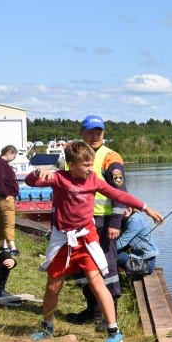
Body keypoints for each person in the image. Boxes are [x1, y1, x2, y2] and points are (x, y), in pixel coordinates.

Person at [24, 140, 163, 342]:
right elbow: (30, 183)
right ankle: (47, 326)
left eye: (92, 164)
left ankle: (114, 331)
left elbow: (119, 194)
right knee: (53, 287)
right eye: (86, 165)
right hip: (63, 241)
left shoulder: (94, 181)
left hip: (86, 240)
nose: (91, 169)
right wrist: (36, 173)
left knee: (98, 283)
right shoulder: (59, 178)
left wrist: (146, 208)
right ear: (72, 165)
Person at [65, 114, 128, 327]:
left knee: (107, 268)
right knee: (81, 268)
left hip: (103, 223)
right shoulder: (74, 155)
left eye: (98, 132)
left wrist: (115, 223)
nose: (94, 136)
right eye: (90, 132)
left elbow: (120, 193)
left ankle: (110, 315)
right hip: (77, 224)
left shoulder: (111, 157)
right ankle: (92, 310)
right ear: (81, 132)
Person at [0, 145, 20, 257]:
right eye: (14, 155)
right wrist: (6, 194)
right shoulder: (1, 163)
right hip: (5, 197)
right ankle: (13, 247)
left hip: (3, 197)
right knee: (9, 222)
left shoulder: (1, 163)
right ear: (9, 152)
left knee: (3, 222)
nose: (14, 158)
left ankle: (3, 245)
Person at [116, 207, 159, 277]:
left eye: (127, 207)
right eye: (121, 208)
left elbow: (121, 243)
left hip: (146, 264)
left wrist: (101, 250)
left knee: (111, 254)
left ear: (132, 206)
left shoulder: (135, 220)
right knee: (111, 252)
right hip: (139, 259)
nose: (125, 210)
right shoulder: (126, 219)